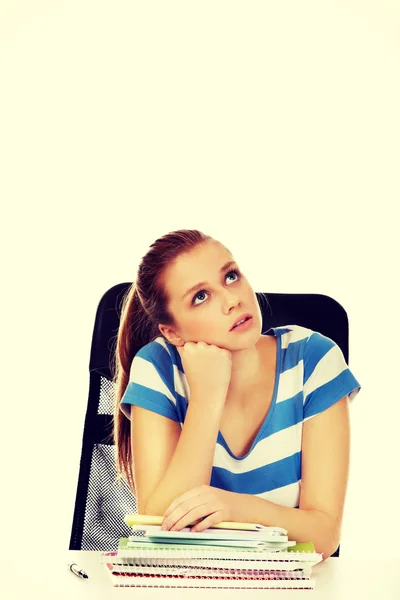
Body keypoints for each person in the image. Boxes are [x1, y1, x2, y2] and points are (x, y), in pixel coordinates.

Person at [112, 229, 361, 560]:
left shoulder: (313, 360)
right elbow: (158, 527)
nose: (233, 300)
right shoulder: (157, 368)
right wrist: (206, 400)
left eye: (230, 276)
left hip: (284, 587)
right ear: (172, 331)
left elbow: (324, 535)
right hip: (183, 583)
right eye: (201, 296)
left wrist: (233, 507)